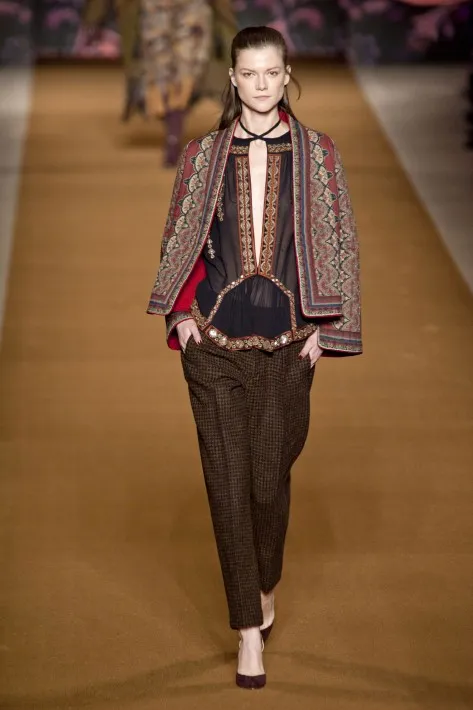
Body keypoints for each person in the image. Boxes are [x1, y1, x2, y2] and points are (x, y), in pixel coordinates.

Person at [147, 26, 362, 689]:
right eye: (250, 73)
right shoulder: (203, 153)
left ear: (286, 74)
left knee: (267, 481)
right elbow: (180, 234)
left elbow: (340, 239)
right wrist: (181, 317)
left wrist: (330, 327)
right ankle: (247, 630)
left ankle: (264, 582)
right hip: (212, 343)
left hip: (288, 345)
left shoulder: (318, 153)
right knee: (226, 484)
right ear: (233, 79)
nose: (262, 84)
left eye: (272, 72)